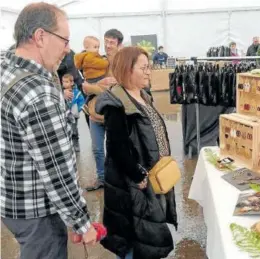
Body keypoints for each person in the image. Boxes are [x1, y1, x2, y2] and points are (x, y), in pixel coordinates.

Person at [0, 3, 97, 259]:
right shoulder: (38, 93)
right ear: (40, 36)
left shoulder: (5, 65)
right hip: (36, 212)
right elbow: (57, 171)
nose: (68, 49)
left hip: (11, 199)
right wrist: (82, 222)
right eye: (64, 40)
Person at [95, 46, 177, 259]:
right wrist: (137, 174)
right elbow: (116, 146)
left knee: (148, 231)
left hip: (151, 177)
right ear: (127, 70)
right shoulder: (116, 103)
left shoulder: (143, 95)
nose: (149, 71)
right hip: (133, 183)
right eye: (144, 67)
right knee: (135, 234)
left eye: (148, 67)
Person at [82, 29, 123, 191]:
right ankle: (101, 178)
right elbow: (85, 86)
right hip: (94, 113)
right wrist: (93, 87)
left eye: (111, 42)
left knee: (116, 148)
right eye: (106, 41)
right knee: (97, 149)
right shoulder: (99, 62)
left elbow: (116, 90)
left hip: (114, 114)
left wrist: (93, 87)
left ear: (119, 44)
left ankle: (117, 178)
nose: (107, 45)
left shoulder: (122, 63)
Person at [62, 73, 85, 152]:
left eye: (66, 82)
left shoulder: (77, 92)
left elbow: (81, 101)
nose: (64, 83)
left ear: (72, 83)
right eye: (63, 82)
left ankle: (76, 143)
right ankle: (69, 145)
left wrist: (77, 110)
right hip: (64, 114)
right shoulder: (62, 92)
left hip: (73, 115)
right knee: (65, 130)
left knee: (74, 129)